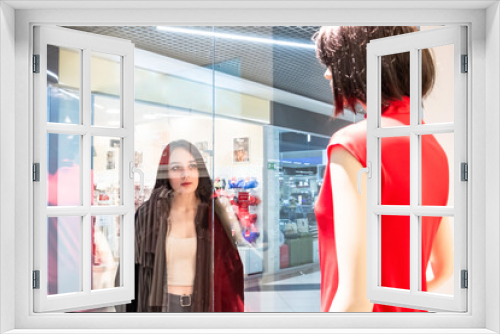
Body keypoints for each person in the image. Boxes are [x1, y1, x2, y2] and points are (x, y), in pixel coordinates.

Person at [313, 26, 454, 312]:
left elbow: (355, 300)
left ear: (361, 63)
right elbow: (444, 268)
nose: (328, 74)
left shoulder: (353, 143)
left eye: (333, 63)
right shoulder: (431, 145)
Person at [126, 139, 244, 312]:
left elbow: (231, 270)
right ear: (165, 174)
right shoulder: (147, 215)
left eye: (192, 166)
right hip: (161, 306)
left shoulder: (214, 214)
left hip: (205, 305)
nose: (185, 174)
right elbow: (131, 272)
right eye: (176, 168)